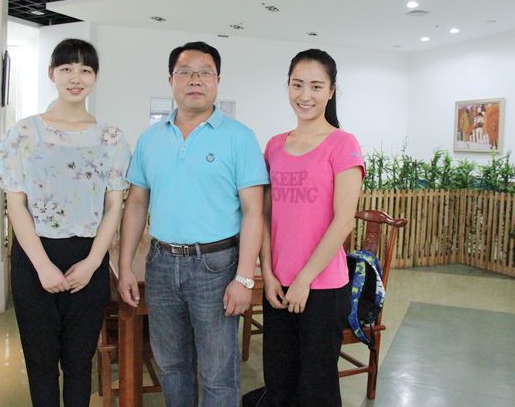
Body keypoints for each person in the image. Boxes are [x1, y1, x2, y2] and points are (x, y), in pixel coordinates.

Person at [117, 41, 268, 407]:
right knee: (171, 366)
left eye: (204, 73)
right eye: (185, 72)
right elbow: (136, 202)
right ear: (171, 79)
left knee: (218, 373)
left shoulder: (239, 137)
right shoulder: (151, 139)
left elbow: (254, 211)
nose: (194, 80)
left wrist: (244, 278)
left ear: (218, 81)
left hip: (216, 267)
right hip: (161, 264)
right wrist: (124, 267)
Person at [0, 38, 130, 407]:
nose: (76, 77)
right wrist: (42, 266)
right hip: (34, 257)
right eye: (67, 68)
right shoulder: (24, 133)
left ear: (95, 77)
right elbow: (16, 204)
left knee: (79, 362)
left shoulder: (111, 138)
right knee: (40, 363)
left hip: (88, 258)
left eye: (85, 70)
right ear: (51, 73)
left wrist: (93, 263)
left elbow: (114, 206)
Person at [260, 49, 364, 407]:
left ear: (331, 91)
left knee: (316, 388)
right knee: (279, 382)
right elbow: (265, 216)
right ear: (288, 86)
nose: (305, 95)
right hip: (278, 285)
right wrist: (268, 274)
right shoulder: (275, 145)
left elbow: (344, 220)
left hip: (322, 287)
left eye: (316, 86)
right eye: (297, 85)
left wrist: (304, 279)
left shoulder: (343, 144)